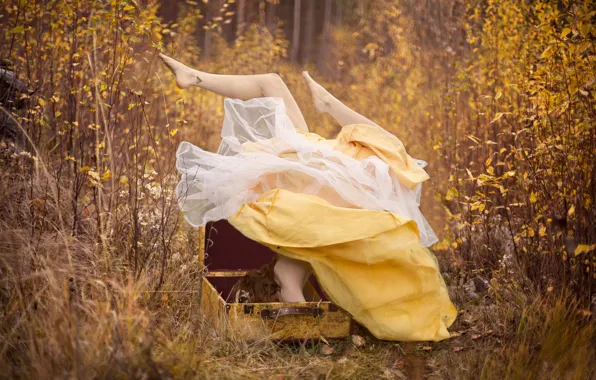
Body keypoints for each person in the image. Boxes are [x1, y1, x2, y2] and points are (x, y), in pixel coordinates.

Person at [160, 53, 456, 341]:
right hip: (313, 193)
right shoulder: (287, 273)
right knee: (389, 153)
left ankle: (198, 78)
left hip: (306, 190)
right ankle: (325, 103)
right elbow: (300, 317)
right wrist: (301, 330)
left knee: (388, 154)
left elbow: (298, 308)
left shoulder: (289, 266)